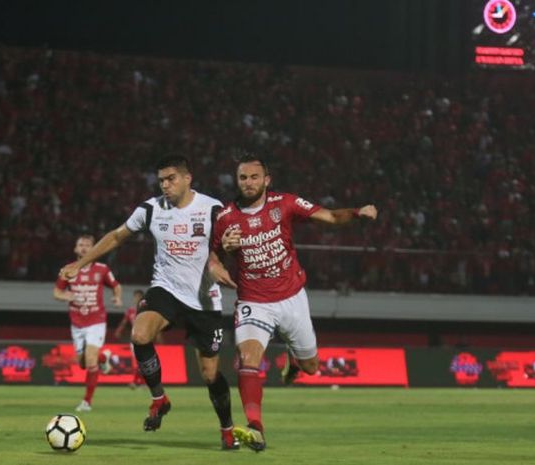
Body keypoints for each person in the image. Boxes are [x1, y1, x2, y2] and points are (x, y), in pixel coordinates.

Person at [60, 155, 240, 450]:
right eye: (161, 180)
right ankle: (159, 398)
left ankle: (227, 429)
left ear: (187, 178)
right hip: (165, 290)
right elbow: (117, 236)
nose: (165, 185)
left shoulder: (212, 209)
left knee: (210, 375)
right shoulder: (151, 209)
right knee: (140, 334)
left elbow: (227, 245)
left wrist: (220, 261)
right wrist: (81, 264)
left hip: (203, 299)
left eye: (171, 179)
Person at [213, 153, 378, 452]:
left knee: (311, 367)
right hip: (254, 300)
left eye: (254, 177)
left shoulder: (285, 203)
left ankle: (295, 359)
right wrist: (220, 257)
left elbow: (328, 216)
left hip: (292, 298)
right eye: (242, 178)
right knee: (248, 358)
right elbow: (211, 257)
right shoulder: (225, 218)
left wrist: (357, 212)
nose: (248, 183)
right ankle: (256, 428)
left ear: (267, 180)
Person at [53, 234, 123, 412]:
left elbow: (116, 285)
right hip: (77, 323)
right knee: (83, 363)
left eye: (87, 245)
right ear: (75, 249)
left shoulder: (102, 269)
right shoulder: (68, 270)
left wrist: (117, 297)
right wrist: (65, 296)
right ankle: (104, 358)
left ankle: (87, 402)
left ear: (93, 249)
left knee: (90, 360)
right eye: (81, 245)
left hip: (96, 320)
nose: (84, 248)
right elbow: (57, 292)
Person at [113, 289, 150, 388]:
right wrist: (119, 330)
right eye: (135, 297)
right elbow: (124, 322)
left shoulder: (146, 309)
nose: (136, 299)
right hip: (134, 339)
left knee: (143, 361)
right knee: (139, 361)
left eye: (138, 297)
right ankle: (139, 382)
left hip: (145, 337)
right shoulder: (130, 310)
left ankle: (137, 382)